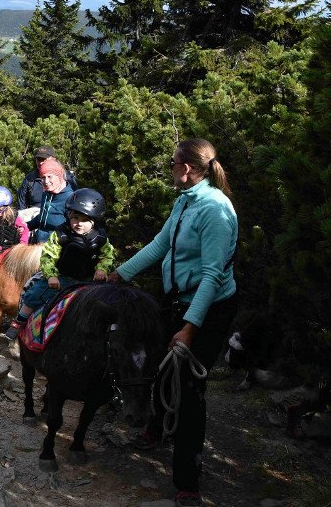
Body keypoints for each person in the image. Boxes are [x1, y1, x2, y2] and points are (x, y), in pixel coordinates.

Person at [107, 138, 238, 507]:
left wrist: (189, 328)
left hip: (208, 309)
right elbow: (160, 244)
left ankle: (187, 482)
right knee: (162, 369)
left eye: (172, 163)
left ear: (187, 168)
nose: (170, 168)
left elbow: (212, 276)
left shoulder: (214, 210)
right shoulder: (186, 200)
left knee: (191, 391)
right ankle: (157, 428)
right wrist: (120, 274)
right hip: (179, 300)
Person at [7, 188, 114, 338]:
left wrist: (102, 269)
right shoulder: (61, 234)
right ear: (68, 215)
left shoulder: (100, 238)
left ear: (94, 221)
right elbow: (48, 256)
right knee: (34, 293)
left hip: (89, 280)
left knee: (106, 301)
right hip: (62, 278)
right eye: (75, 218)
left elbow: (107, 255)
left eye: (84, 220)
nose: (79, 223)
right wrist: (51, 275)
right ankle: (19, 321)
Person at [24, 157, 74, 244]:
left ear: (59, 176)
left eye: (49, 177)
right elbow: (42, 217)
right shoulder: (47, 194)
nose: (46, 181)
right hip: (38, 243)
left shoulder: (70, 199)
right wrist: (26, 226)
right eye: (43, 177)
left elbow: (71, 229)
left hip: (55, 246)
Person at [17, 146, 77, 210]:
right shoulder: (29, 178)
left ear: (53, 159)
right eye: (38, 159)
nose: (41, 163)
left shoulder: (66, 177)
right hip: (34, 213)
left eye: (44, 159)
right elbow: (21, 204)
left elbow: (75, 201)